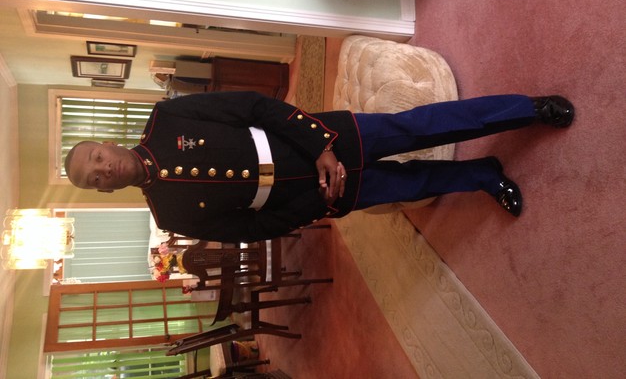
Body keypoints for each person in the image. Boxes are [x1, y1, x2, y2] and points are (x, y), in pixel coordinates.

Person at [65, 92, 574, 243]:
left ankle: (527, 109)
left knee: (421, 127)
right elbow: (252, 229)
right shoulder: (169, 215)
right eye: (95, 178)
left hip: (321, 138)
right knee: (413, 182)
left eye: (96, 158)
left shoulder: (167, 117)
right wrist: (318, 203)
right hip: (312, 196)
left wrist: (320, 146)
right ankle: (484, 175)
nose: (102, 170)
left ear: (107, 143)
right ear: (104, 191)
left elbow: (253, 106)